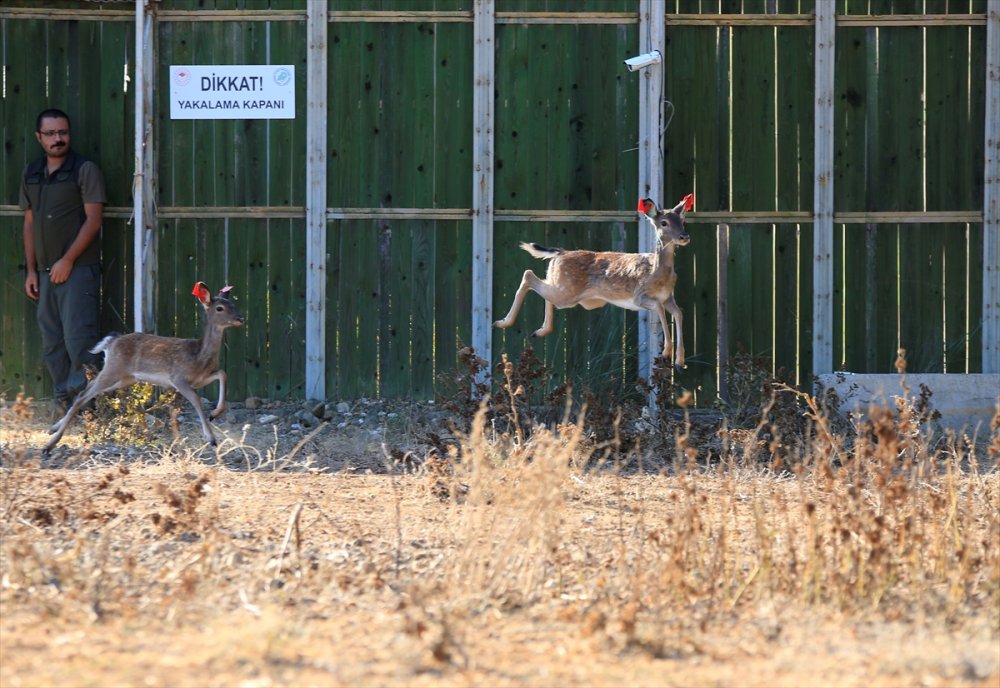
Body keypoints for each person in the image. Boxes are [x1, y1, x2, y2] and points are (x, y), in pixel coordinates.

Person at [20, 108, 107, 413]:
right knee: (52, 341)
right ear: (39, 137)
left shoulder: (85, 169)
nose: (58, 139)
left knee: (79, 339)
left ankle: (87, 405)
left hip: (78, 270)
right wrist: (31, 270)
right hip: (44, 272)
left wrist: (68, 260)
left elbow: (94, 221)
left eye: (63, 132)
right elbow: (29, 223)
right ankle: (62, 400)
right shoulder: (31, 172)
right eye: (51, 133)